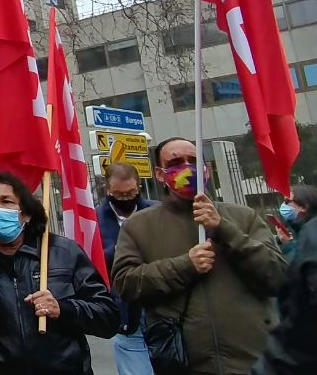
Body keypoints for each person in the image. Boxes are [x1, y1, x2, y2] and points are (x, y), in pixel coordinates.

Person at [112, 137, 287, 375]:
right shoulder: (138, 226)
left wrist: (224, 230)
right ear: (160, 174)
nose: (187, 167)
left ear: (207, 169)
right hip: (184, 363)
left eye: (194, 161)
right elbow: (125, 284)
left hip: (253, 362)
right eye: (176, 162)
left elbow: (278, 276)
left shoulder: (244, 217)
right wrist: (185, 266)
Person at [0, 170, 118, 375]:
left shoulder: (65, 253)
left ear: (26, 213)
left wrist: (63, 309)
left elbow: (108, 317)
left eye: (6, 201)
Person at [251, 188, 317, 374]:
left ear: (304, 207)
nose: (284, 206)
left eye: (289, 201)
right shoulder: (316, 235)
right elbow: (294, 345)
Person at [97, 163, 156, 375]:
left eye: (130, 193)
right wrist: (126, 244)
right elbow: (94, 261)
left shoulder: (157, 212)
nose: (125, 199)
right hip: (124, 308)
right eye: (119, 194)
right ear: (108, 190)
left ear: (138, 187)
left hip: (161, 305)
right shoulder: (94, 219)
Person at [274, 184, 317, 262]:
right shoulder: (293, 227)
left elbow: (305, 267)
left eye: (287, 201)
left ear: (304, 207)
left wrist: (289, 245)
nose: (283, 205)